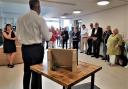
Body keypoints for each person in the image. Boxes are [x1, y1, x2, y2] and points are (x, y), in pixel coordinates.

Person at [16, 0, 50, 89]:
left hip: (25, 49)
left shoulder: (20, 18)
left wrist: (26, 40)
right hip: (37, 50)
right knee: (36, 74)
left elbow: (18, 36)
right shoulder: (39, 18)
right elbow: (47, 37)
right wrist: (49, 34)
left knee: (26, 71)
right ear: (38, 6)